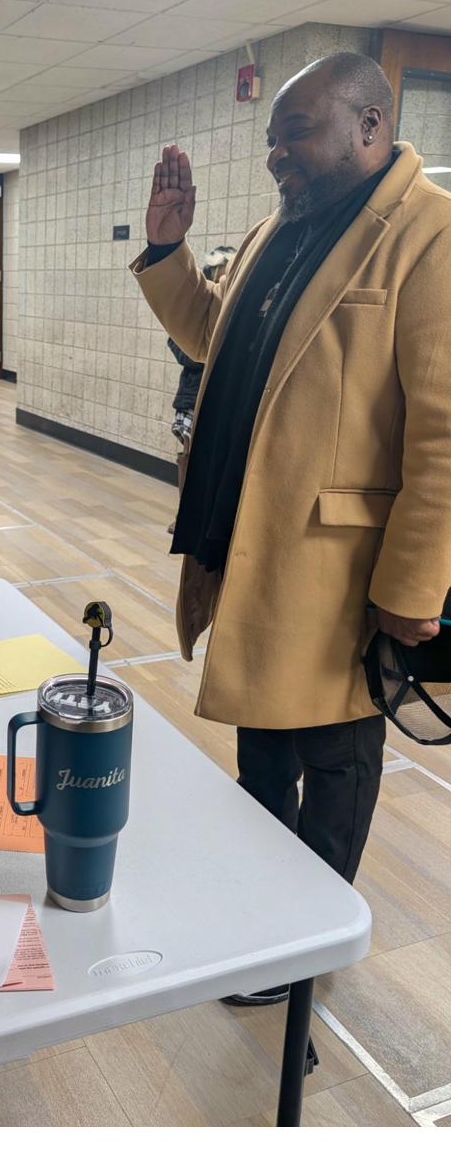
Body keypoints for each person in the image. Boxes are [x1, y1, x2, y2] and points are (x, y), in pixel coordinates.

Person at [130, 53, 451, 1004]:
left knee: (336, 760)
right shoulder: (285, 225)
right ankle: (260, 917)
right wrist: (166, 254)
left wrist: (413, 590)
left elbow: (445, 432)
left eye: (295, 133)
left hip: (343, 572)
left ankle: (306, 945)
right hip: (255, 545)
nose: (276, 156)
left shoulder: (430, 237)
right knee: (262, 743)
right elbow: (214, 340)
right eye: (271, 138)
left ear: (368, 124)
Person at [166, 246, 235, 533]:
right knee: (189, 454)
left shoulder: (237, 308)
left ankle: (208, 518)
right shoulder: (198, 307)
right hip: (194, 395)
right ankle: (186, 514)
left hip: (224, 396)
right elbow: (184, 350)